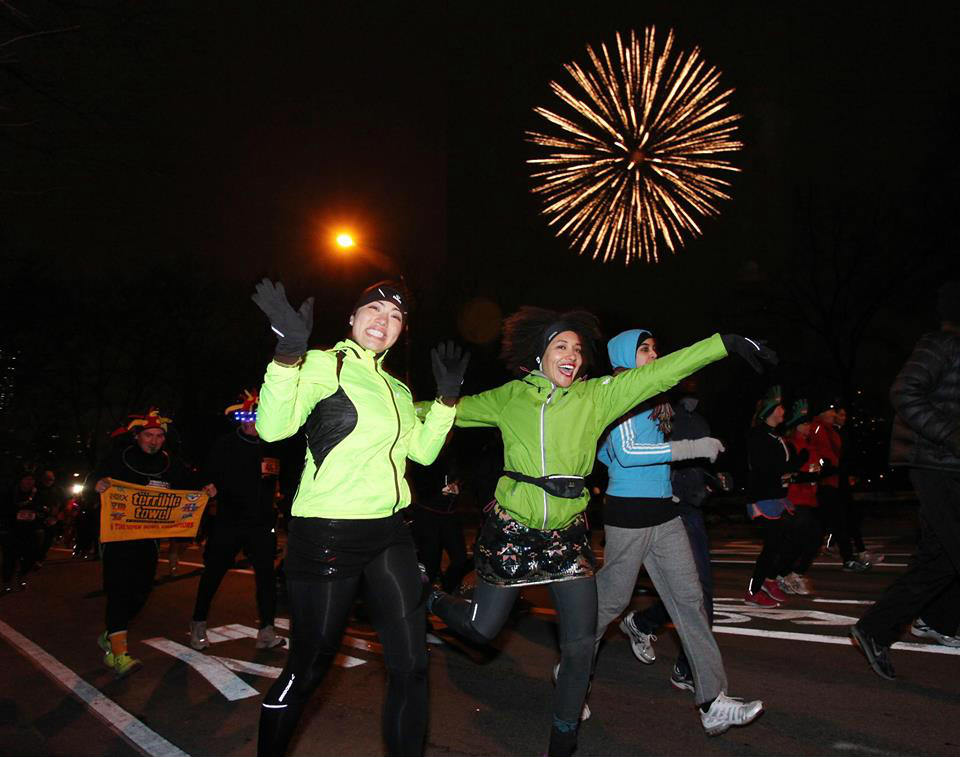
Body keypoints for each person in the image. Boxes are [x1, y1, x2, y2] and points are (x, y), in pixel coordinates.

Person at [428, 308, 775, 756]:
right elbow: (423, 420)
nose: (572, 355)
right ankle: (431, 594)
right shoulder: (509, 397)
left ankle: (565, 739)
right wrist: (444, 397)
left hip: (570, 535)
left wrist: (722, 343)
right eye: (561, 346)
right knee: (482, 628)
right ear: (539, 354)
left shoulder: (597, 396)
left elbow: (662, 372)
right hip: (515, 529)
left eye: (577, 348)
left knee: (581, 644)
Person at [251, 279, 467, 757]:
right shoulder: (325, 364)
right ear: (352, 318)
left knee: (411, 663)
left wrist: (447, 401)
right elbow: (272, 427)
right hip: (328, 531)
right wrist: (288, 354)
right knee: (307, 670)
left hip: (390, 532)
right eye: (373, 309)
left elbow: (424, 455)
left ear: (400, 331)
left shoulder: (395, 387)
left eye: (394, 317)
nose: (382, 321)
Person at [593, 329, 764, 737]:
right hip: (629, 516)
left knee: (690, 601)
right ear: (623, 355)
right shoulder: (619, 392)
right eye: (646, 349)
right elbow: (629, 454)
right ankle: (571, 678)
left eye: (655, 347)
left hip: (664, 513)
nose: (655, 353)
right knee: (608, 605)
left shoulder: (654, 400)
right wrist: (694, 447)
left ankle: (712, 701)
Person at [850, 281, 960, 680]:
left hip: (949, 465)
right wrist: (952, 436)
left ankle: (880, 628)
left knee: (941, 558)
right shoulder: (941, 344)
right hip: (935, 464)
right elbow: (905, 392)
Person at [92, 409, 211, 677]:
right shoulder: (119, 458)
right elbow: (94, 478)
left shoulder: (170, 463)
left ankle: (112, 633)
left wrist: (206, 485)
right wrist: (97, 484)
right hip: (118, 538)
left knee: (142, 591)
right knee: (120, 591)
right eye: (149, 435)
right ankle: (118, 654)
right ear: (137, 436)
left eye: (159, 436)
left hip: (149, 541)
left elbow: (191, 481)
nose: (154, 441)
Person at [189, 390, 285, 651]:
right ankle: (198, 623)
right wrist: (208, 485)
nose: (251, 423)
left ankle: (266, 630)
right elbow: (205, 473)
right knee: (213, 574)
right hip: (229, 522)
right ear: (240, 420)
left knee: (266, 579)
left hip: (262, 524)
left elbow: (280, 481)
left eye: (257, 418)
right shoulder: (225, 444)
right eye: (247, 418)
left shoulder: (272, 445)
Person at [744, 386, 802, 607]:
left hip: (776, 497)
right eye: (780, 407)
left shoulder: (774, 435)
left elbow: (781, 466)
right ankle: (753, 590)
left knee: (784, 541)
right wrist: (794, 465)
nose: (783, 410)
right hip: (762, 499)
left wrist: (792, 467)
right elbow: (767, 467)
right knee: (772, 546)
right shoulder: (759, 436)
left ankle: (768, 580)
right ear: (770, 411)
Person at [813, 404, 870, 572]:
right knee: (829, 523)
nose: (834, 414)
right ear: (822, 413)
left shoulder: (829, 429)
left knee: (839, 521)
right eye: (830, 410)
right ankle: (849, 556)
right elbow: (817, 452)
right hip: (826, 482)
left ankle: (850, 557)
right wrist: (825, 467)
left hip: (834, 480)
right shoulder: (818, 428)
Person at [778, 399, 821, 595]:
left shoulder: (810, 445)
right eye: (804, 423)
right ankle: (785, 575)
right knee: (805, 539)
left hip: (809, 498)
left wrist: (818, 472)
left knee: (806, 540)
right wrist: (807, 475)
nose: (809, 427)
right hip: (794, 499)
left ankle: (788, 574)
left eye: (809, 423)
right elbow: (786, 473)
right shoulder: (790, 444)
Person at [2, 471, 42, 593]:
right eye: (26, 479)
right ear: (21, 480)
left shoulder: (37, 494)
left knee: (30, 556)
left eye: (32, 479)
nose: (29, 482)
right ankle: (7, 581)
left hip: (30, 530)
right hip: (12, 529)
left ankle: (22, 574)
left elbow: (44, 507)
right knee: (10, 558)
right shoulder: (10, 492)